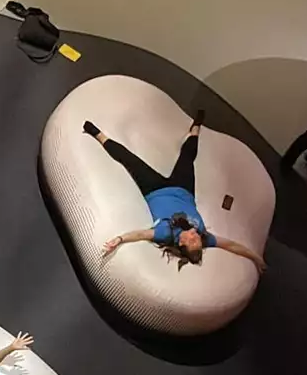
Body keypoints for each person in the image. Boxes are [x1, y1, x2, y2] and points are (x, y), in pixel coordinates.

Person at [85, 112, 267, 272]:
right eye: (198, 240)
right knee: (187, 158)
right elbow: (231, 244)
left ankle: (97, 134)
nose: (196, 235)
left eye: (192, 240)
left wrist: (119, 239)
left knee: (130, 161)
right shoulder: (203, 236)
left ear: (181, 243)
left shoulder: (166, 233)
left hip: (155, 190)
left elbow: (140, 234)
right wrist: (256, 257)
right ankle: (196, 128)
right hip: (184, 189)